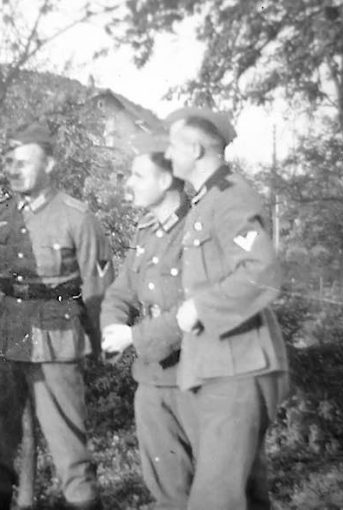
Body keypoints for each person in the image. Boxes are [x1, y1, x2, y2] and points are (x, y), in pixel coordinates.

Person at [0, 122, 113, 510]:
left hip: (57, 340)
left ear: (50, 163)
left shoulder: (77, 217)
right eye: (9, 162)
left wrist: (96, 344)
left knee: (69, 451)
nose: (14, 170)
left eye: (23, 162)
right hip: (2, 337)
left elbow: (98, 291)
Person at [163, 107, 290, 510]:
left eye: (172, 144)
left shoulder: (230, 196)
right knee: (245, 494)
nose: (167, 154)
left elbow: (262, 270)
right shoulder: (205, 203)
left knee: (215, 498)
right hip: (221, 364)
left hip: (236, 369)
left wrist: (200, 306)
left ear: (196, 148)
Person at [100, 132, 193, 509]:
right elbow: (122, 291)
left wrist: (133, 338)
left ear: (166, 180)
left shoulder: (197, 229)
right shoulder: (146, 231)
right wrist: (112, 328)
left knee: (217, 488)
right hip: (153, 379)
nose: (128, 183)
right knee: (168, 489)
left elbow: (192, 310)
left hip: (196, 375)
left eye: (137, 175)